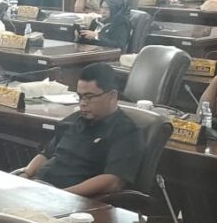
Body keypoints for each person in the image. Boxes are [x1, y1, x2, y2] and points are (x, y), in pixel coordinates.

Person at [19, 62, 142, 197]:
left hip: (74, 199)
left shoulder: (125, 131)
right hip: (41, 190)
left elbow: (113, 181)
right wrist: (26, 173)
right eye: (80, 96)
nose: (82, 103)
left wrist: (61, 195)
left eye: (89, 97)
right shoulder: (73, 120)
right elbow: (46, 154)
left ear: (112, 96)